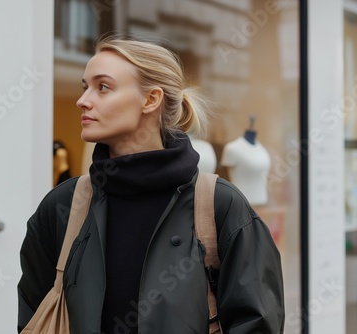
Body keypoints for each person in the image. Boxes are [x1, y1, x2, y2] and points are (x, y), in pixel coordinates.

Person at [17, 36, 285, 333]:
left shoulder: (221, 206)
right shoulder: (62, 206)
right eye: (85, 87)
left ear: (151, 99)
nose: (83, 100)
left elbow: (257, 323)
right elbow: (34, 314)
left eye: (102, 87)